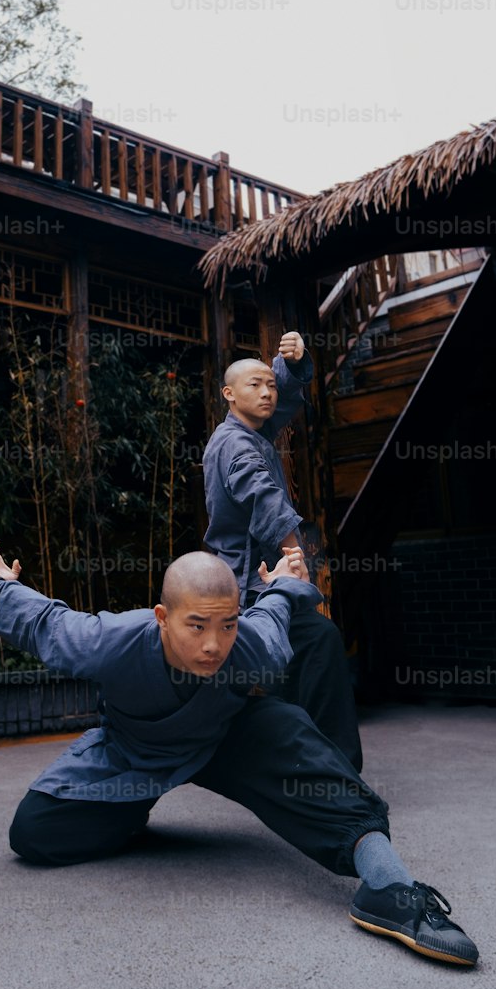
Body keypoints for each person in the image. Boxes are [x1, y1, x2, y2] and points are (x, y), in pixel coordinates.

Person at [0, 538, 478, 967]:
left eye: (227, 625)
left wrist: (282, 578)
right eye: (197, 627)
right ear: (162, 619)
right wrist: (1, 580)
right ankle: (127, 812)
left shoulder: (251, 643)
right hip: (136, 753)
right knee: (34, 832)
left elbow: (273, 607)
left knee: (288, 732)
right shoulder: (111, 641)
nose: (215, 646)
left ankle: (391, 889)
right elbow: (47, 623)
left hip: (224, 740)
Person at [202, 330, 363, 770]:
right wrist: (297, 558)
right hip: (250, 582)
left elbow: (283, 398)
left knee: (295, 654)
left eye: (270, 384)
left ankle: (306, 759)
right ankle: (336, 767)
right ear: (229, 395)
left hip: (255, 578)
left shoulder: (252, 428)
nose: (267, 392)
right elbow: (263, 496)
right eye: (255, 385)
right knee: (317, 641)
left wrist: (290, 363)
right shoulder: (235, 443)